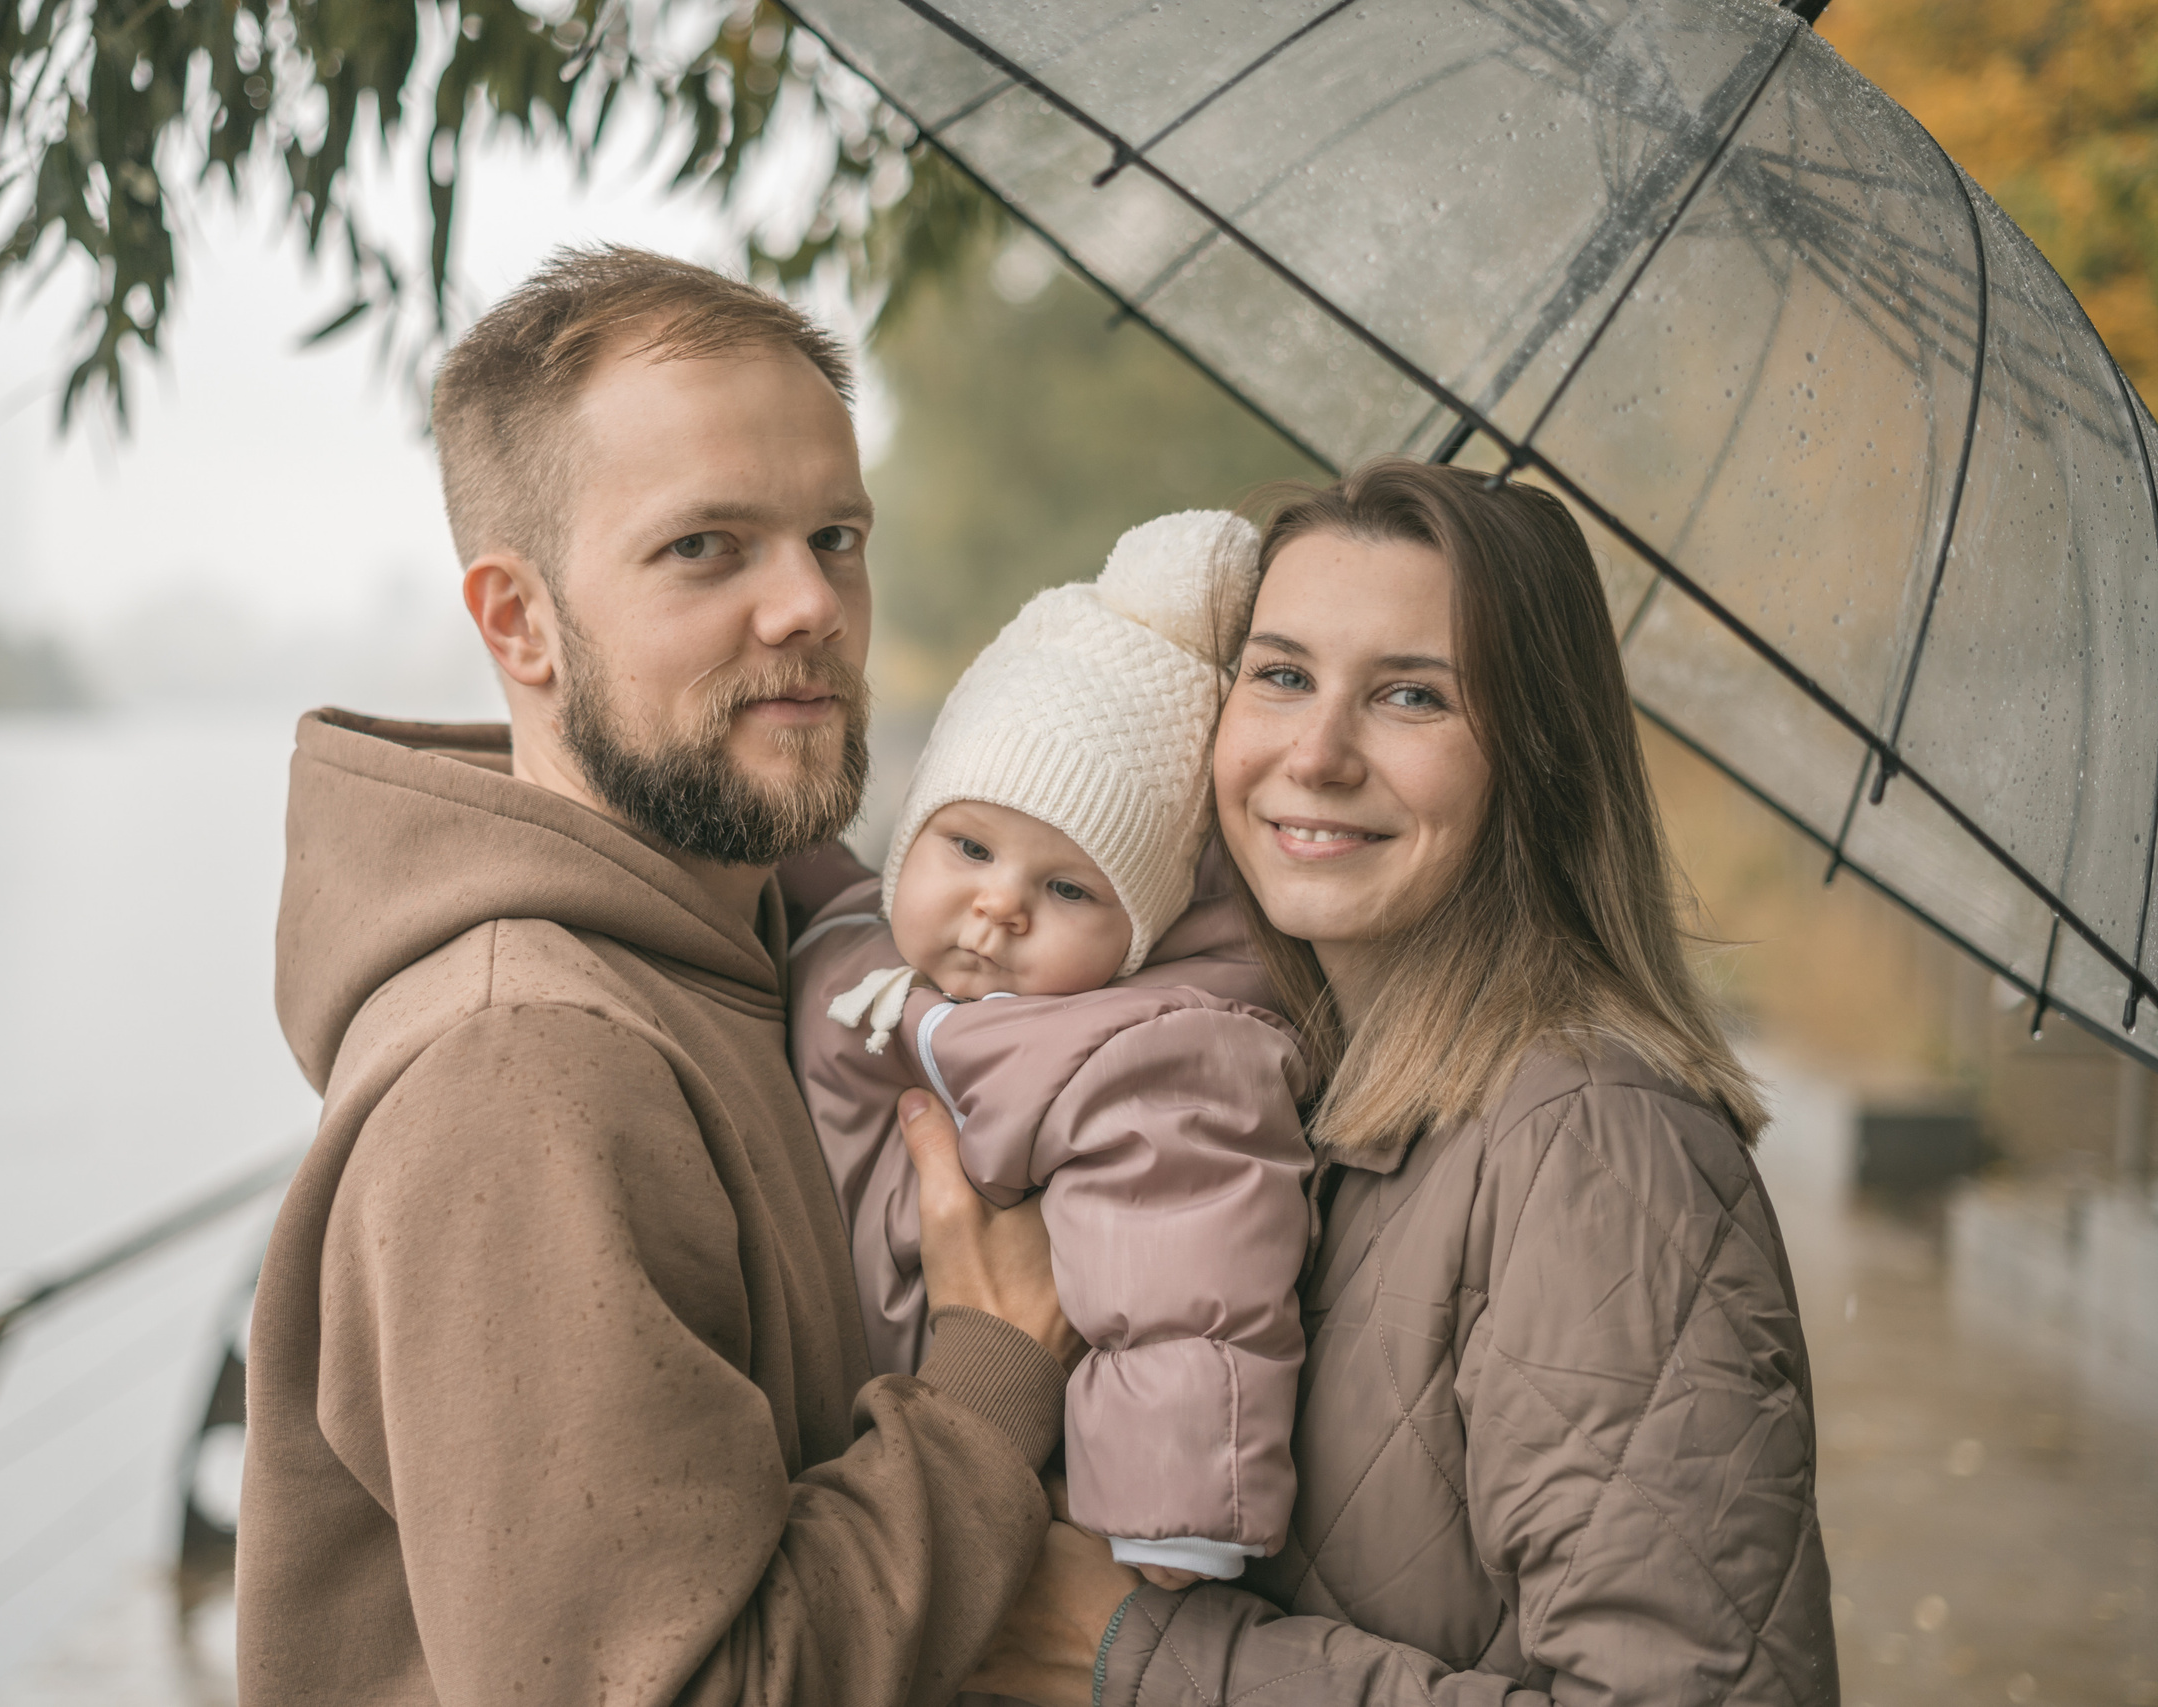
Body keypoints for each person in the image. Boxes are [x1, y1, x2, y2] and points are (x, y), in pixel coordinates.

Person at [236, 246, 1081, 1707]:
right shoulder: (526, 1066)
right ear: (519, 622)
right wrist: (990, 1376)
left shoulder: (804, 955)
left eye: (836, 535)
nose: (808, 603)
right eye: (708, 547)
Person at [966, 459, 1838, 1706]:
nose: (1314, 754)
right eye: (1280, 675)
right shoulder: (1269, 1094)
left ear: (1534, 760)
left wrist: (1146, 1660)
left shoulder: (1595, 1150)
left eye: (1411, 697)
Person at [790, 511, 1318, 1591]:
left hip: (1007, 1472)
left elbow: (1188, 1276)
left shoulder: (1140, 1061)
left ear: (1143, 928)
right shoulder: (863, 949)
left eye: (1068, 889)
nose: (998, 906)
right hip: (845, 1434)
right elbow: (816, 888)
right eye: (968, 846)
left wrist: (1170, 1523)